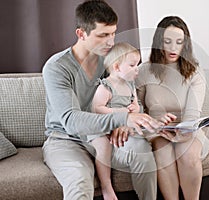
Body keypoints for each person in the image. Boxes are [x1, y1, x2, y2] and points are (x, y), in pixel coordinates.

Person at [42, 1, 160, 200]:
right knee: (79, 181)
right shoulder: (57, 67)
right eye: (103, 35)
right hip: (66, 140)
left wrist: (125, 121)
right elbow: (71, 121)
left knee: (142, 153)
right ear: (81, 34)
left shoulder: (108, 61)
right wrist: (123, 119)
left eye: (113, 33)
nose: (111, 42)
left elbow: (124, 96)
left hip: (106, 135)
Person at [136, 16, 209, 200]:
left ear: (185, 44)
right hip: (157, 130)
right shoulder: (144, 70)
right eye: (167, 41)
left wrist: (182, 131)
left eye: (179, 42)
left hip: (187, 129)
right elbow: (136, 108)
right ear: (158, 42)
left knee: (187, 154)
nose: (172, 48)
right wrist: (153, 122)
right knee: (163, 153)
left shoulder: (194, 71)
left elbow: (193, 114)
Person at [89, 42, 141, 200]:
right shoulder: (105, 87)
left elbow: (136, 105)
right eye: (132, 65)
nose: (137, 68)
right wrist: (121, 111)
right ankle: (106, 187)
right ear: (117, 67)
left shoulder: (131, 85)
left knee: (143, 132)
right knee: (103, 146)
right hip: (105, 126)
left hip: (124, 125)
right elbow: (97, 108)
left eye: (138, 64)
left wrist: (134, 108)